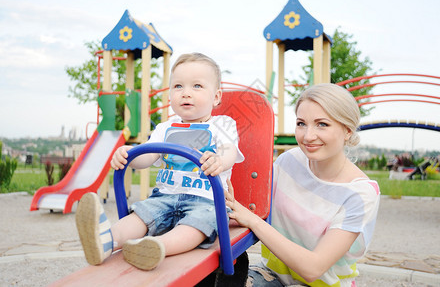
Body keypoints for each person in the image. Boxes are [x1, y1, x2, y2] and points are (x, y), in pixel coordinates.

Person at [76, 52, 244, 271]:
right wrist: (129, 154)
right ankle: (106, 240)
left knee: (197, 226)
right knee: (140, 215)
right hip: (164, 197)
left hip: (205, 200)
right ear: (169, 95)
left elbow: (229, 149)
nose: (186, 93)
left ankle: (154, 247)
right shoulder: (165, 127)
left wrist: (220, 161)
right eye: (178, 87)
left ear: (216, 97)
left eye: (197, 86)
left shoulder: (222, 124)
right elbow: (146, 157)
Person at [225, 84, 380, 286]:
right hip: (272, 276)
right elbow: (247, 203)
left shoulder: (360, 194)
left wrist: (254, 221)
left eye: (322, 124)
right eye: (301, 123)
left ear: (348, 130)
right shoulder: (289, 161)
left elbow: (312, 269)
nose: (308, 136)